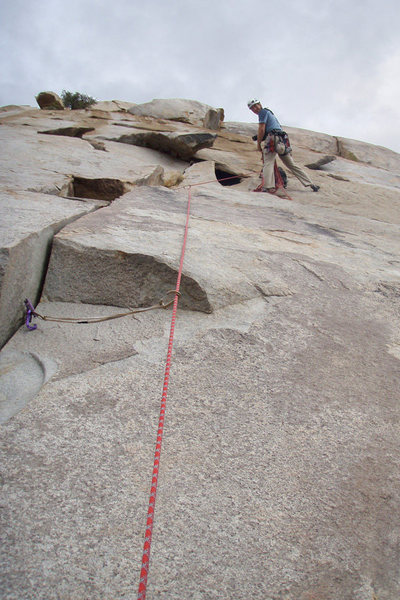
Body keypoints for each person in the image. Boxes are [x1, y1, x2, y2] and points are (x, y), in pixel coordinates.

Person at [247, 99, 320, 194]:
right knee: (291, 164)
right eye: (253, 108)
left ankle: (267, 187)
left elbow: (261, 129)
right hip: (282, 141)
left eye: (256, 106)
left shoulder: (263, 112)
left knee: (268, 162)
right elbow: (271, 128)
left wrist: (258, 143)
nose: (255, 109)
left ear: (260, 104)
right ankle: (311, 184)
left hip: (273, 140)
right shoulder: (269, 113)